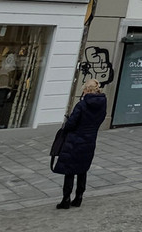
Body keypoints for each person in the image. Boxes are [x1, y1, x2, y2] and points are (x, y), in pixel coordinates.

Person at [53, 79, 107, 209]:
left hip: (76, 139)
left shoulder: (82, 105)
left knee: (70, 170)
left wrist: (66, 126)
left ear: (87, 90)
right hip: (90, 139)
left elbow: (71, 123)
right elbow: (101, 118)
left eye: (83, 89)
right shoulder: (103, 103)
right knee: (83, 169)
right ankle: (79, 197)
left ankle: (66, 199)